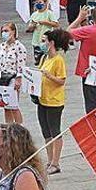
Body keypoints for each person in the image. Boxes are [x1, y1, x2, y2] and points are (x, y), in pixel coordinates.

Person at [37, 29, 69, 175]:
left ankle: (56, 162)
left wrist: (49, 76)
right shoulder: (45, 58)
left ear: (52, 43)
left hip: (54, 101)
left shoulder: (58, 60)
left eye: (44, 41)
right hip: (42, 99)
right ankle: (49, 160)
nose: (42, 43)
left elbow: (61, 81)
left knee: (55, 130)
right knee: (46, 132)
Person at [0, 22, 26, 125]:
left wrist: (19, 79)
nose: (4, 33)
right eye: (2, 31)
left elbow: (21, 64)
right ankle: (8, 127)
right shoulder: (1, 46)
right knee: (5, 105)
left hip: (13, 77)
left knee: (13, 105)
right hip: (2, 77)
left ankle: (19, 128)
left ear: (13, 31)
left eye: (6, 31)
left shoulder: (19, 47)